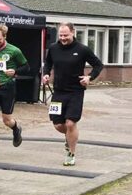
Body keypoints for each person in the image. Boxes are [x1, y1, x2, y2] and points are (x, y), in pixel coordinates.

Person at [41, 23, 104, 167]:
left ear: (73, 33)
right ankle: (69, 138)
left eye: (66, 35)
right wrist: (45, 74)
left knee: (70, 123)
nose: (63, 38)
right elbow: (48, 63)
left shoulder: (82, 49)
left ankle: (71, 153)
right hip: (58, 91)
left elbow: (98, 65)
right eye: (61, 35)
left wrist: (89, 77)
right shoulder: (53, 48)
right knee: (57, 124)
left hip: (76, 91)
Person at [0, 24, 30, 159]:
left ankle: (16, 129)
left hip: (8, 87)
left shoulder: (14, 51)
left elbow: (26, 67)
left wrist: (15, 72)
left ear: (5, 37)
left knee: (6, 120)